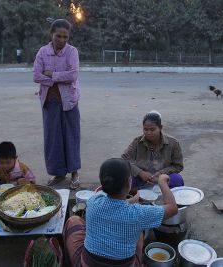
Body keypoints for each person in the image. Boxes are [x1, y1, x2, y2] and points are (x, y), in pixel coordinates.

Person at [64, 158, 178, 267]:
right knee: (139, 232)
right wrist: (162, 182)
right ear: (129, 183)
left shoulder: (94, 201)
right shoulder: (139, 214)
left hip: (89, 263)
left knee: (73, 220)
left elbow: (113, 206)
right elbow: (172, 208)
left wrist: (130, 201)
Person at [33, 19, 81, 189]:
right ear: (51, 34)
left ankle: (74, 173)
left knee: (71, 137)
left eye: (65, 37)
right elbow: (36, 76)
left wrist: (52, 75)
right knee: (53, 139)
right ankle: (58, 173)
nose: (61, 40)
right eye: (58, 36)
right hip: (50, 102)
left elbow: (73, 75)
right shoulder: (42, 52)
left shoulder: (72, 52)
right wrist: (61, 76)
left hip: (69, 102)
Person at [122, 111, 184, 190]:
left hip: (163, 178)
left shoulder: (173, 143)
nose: (148, 133)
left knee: (177, 179)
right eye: (145, 129)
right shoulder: (137, 142)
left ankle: (169, 199)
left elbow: (178, 166)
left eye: (152, 129)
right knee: (123, 178)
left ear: (160, 128)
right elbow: (124, 159)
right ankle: (136, 198)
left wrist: (161, 174)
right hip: (141, 179)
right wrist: (140, 173)